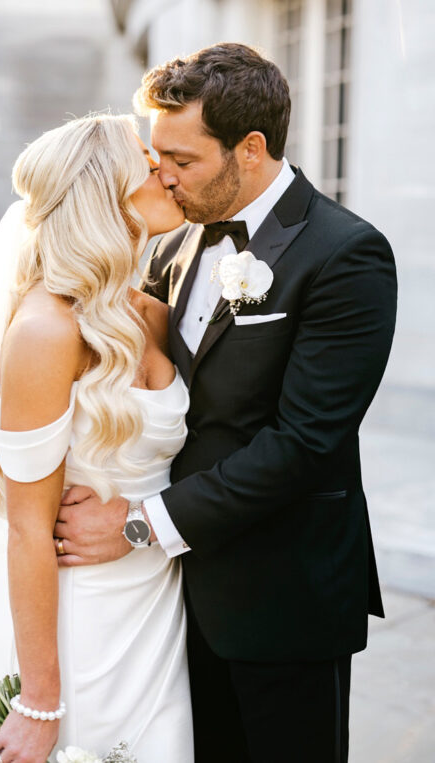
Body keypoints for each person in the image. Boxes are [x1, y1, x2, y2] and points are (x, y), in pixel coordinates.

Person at [54, 43, 396, 762]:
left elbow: (302, 443)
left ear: (250, 147)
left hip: (282, 598)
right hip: (172, 605)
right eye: (157, 158)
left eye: (183, 160)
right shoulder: (172, 246)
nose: (163, 177)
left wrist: (141, 525)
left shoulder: (346, 254)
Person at [0, 114, 193, 763]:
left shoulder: (151, 311)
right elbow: (24, 527)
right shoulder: (45, 330)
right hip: (86, 620)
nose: (165, 171)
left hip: (159, 604)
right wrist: (42, 696)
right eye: (147, 162)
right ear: (107, 192)